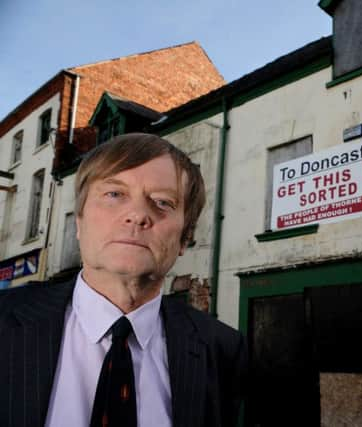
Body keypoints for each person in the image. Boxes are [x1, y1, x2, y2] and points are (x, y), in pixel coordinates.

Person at [0, 133, 247, 427]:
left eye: (163, 202)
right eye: (114, 194)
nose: (138, 215)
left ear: (186, 237)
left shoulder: (222, 349)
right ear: (79, 221)